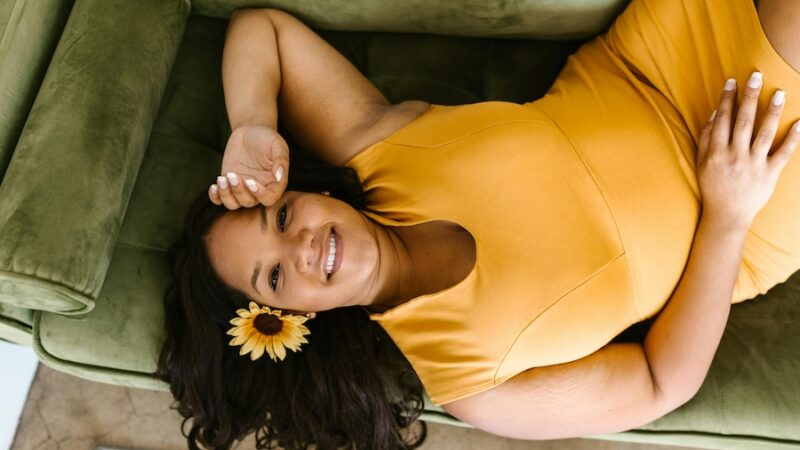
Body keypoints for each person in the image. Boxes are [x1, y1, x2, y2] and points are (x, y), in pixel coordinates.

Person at [156, 0, 800, 449]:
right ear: (290, 320)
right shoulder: (473, 381)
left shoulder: (375, 145)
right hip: (750, 208)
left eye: (284, 214)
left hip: (654, 63)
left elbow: (260, 27)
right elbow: (662, 383)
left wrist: (252, 126)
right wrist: (727, 214)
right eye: (272, 277)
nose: (301, 245)